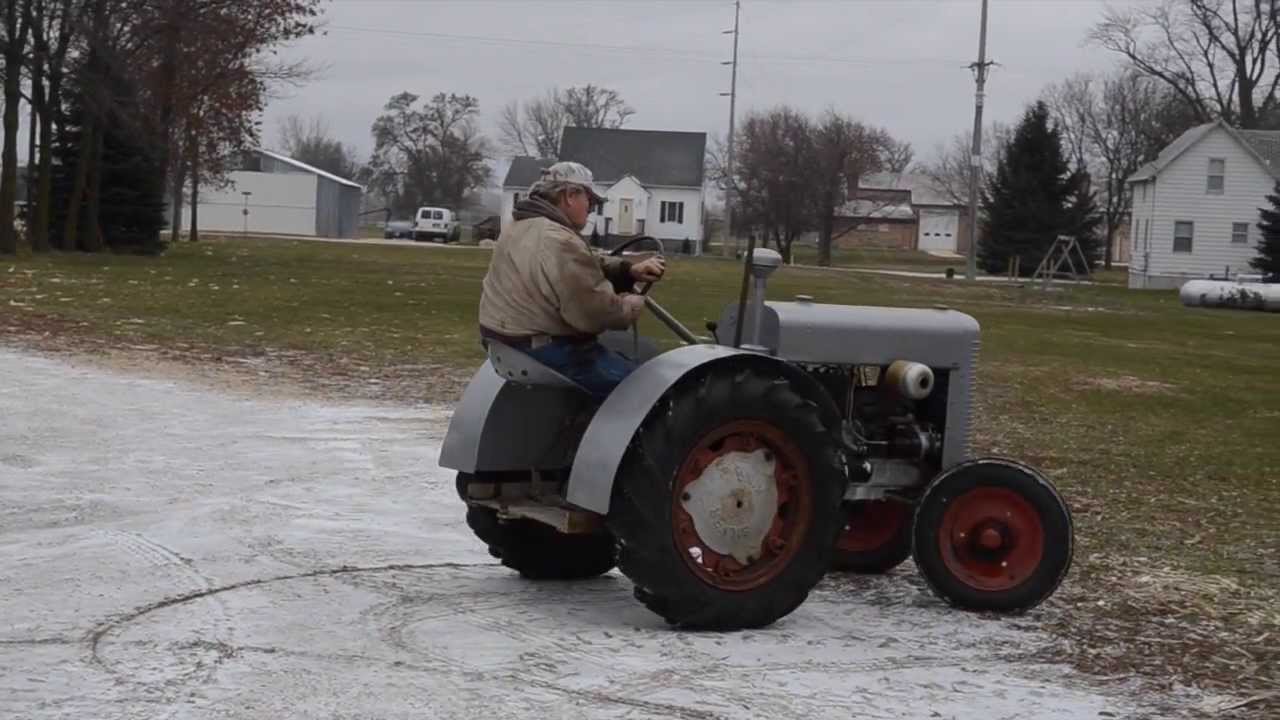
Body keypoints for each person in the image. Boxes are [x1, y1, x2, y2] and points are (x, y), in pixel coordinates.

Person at [478, 161, 666, 398]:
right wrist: (629, 306)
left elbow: (581, 263)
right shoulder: (559, 239)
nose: (591, 208)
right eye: (590, 200)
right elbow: (595, 313)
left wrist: (628, 271)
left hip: (505, 343)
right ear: (570, 195)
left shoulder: (521, 226)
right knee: (649, 391)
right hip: (546, 349)